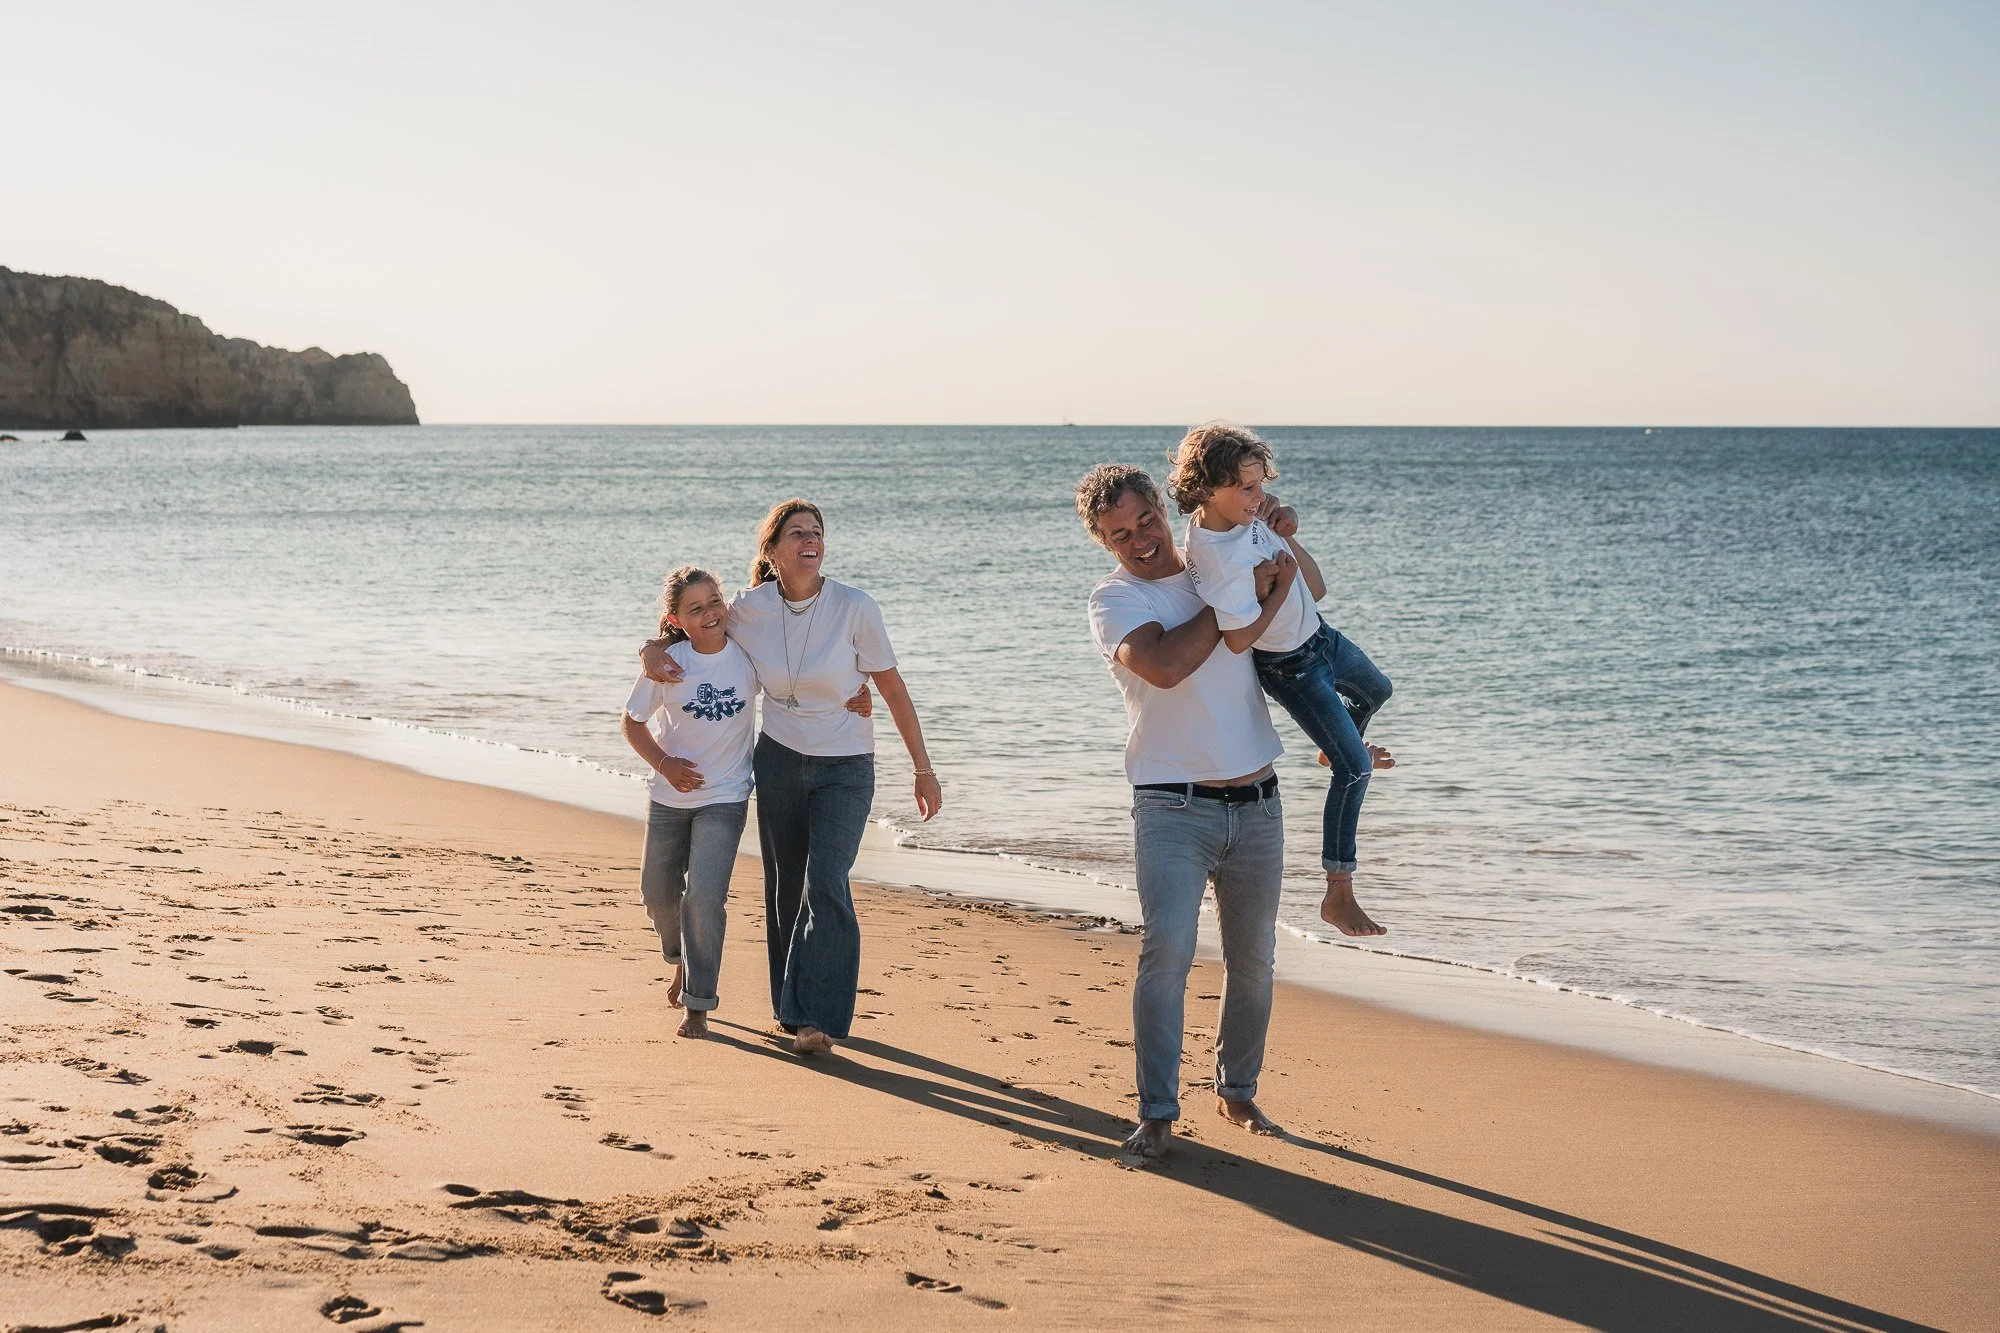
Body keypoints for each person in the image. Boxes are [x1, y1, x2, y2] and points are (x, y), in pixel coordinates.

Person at [642, 499, 941, 1056]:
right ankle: (789, 1009)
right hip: (778, 758)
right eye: (797, 532)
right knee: (784, 887)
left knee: (826, 879)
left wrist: (923, 769)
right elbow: (693, 629)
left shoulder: (855, 608)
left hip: (846, 764)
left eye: (817, 532)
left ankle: (816, 1018)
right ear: (772, 551)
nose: (811, 540)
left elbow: (893, 689)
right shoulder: (748, 608)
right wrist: (652, 647)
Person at [1077, 462, 1292, 1158]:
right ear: (1104, 542)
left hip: (1258, 802)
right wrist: (1231, 599)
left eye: (1146, 521)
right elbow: (1166, 665)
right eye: (1120, 534)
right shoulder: (1112, 601)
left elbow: (1286, 649)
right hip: (1172, 805)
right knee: (1165, 952)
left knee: (1253, 961)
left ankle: (1238, 1092)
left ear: (1165, 511)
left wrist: (1344, 736)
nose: (1140, 540)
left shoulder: (1214, 563)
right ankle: (1158, 1112)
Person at [1169, 422, 1395, 938]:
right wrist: (1279, 587)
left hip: (1320, 636)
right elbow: (1238, 640)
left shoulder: (1245, 517)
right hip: (1290, 663)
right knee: (1356, 770)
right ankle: (1339, 892)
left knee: (1377, 690)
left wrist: (1288, 535)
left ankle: (1338, 745)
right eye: (1246, 488)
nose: (1260, 495)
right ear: (1207, 488)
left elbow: (1316, 588)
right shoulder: (1218, 558)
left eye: (1260, 484)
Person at [620, 566, 756, 1039]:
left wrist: (853, 696)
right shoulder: (668, 664)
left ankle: (698, 1004)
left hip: (726, 795)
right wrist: (665, 765)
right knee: (657, 894)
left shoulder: (747, 655)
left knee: (704, 896)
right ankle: (680, 959)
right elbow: (632, 723)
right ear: (676, 620)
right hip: (667, 799)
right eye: (695, 609)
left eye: (714, 601)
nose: (710, 613)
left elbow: (797, 679)